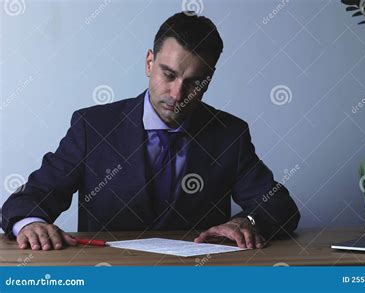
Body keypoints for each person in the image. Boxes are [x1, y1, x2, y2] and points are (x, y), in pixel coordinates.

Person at [1, 12, 300, 251]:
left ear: (208, 81)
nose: (177, 92)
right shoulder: (93, 127)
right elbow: (31, 197)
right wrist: (29, 223)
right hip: (106, 278)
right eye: (168, 74)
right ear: (149, 63)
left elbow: (279, 206)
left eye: (194, 82)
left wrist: (247, 220)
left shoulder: (230, 134)